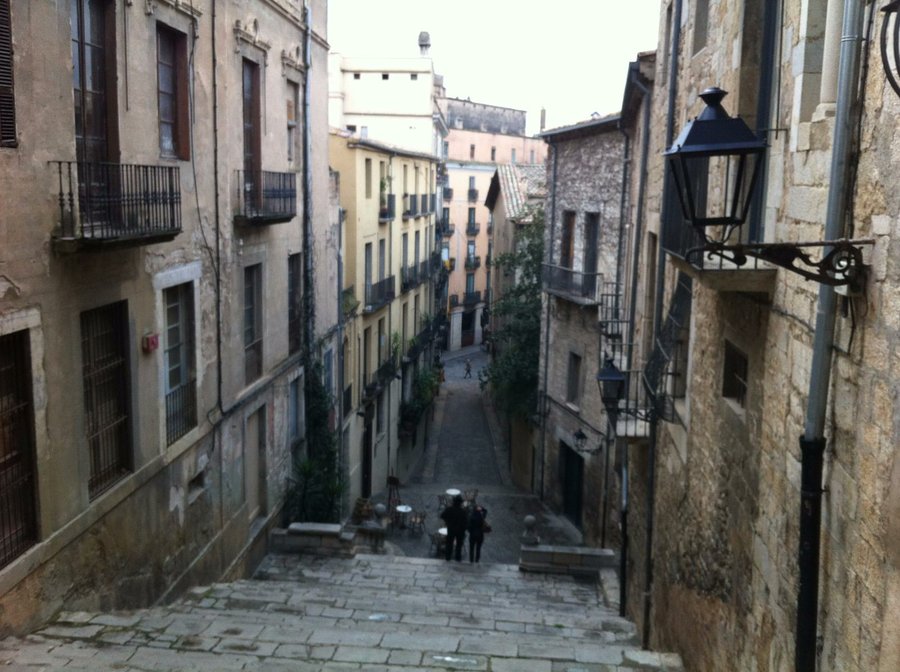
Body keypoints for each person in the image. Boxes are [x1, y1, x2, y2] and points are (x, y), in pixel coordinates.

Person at [440, 494, 468, 561]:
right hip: (460, 531)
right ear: (460, 503)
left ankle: (448, 557)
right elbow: (466, 522)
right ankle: (458, 558)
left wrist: (447, 521)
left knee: (449, 544)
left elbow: (442, 516)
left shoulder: (449, 509)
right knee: (459, 545)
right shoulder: (463, 511)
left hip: (451, 529)